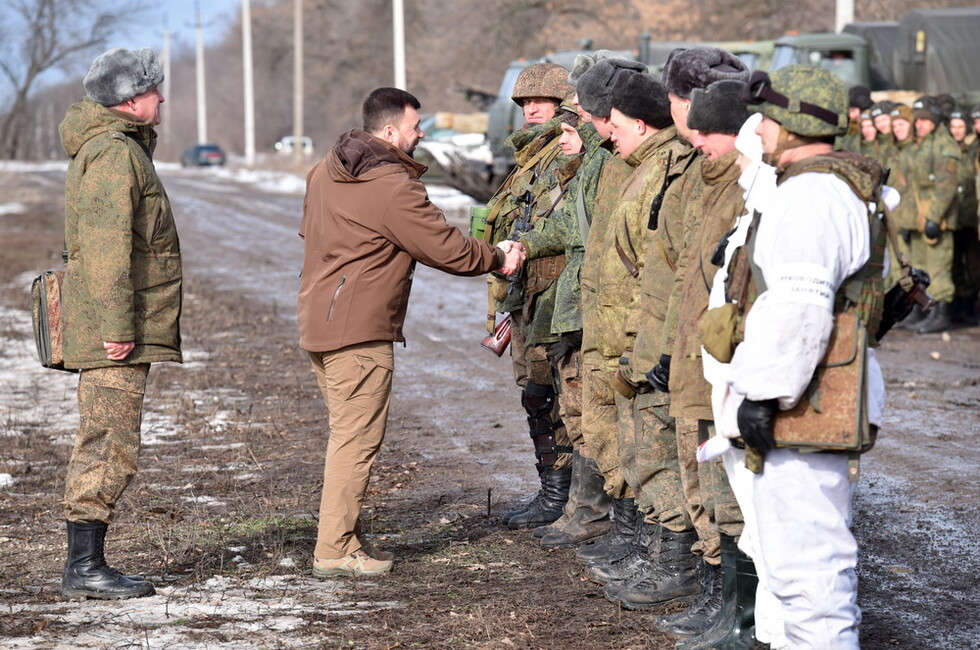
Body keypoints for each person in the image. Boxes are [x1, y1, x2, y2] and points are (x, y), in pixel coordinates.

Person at [298, 87, 524, 577]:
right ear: (388, 132)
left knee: (347, 436)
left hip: (320, 321)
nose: (421, 134)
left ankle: (344, 536)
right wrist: (499, 258)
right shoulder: (390, 185)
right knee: (355, 442)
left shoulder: (324, 171)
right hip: (358, 333)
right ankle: (334, 550)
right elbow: (446, 248)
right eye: (415, 126)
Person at [725, 64, 887, 647]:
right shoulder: (834, 187)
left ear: (792, 125)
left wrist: (764, 397)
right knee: (793, 563)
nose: (759, 130)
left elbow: (798, 307)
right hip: (815, 392)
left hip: (805, 399)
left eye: (767, 118)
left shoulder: (812, 195)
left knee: (808, 566)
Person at [59, 47, 179, 600]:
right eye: (154, 91)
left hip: (118, 323)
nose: (162, 98)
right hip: (114, 331)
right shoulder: (113, 155)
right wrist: (117, 325)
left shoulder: (121, 148)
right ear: (130, 101)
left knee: (109, 439)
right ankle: (84, 568)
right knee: (109, 442)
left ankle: (87, 563)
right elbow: (107, 251)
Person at [484, 63, 580, 531]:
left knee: (552, 398)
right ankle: (553, 492)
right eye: (524, 102)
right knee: (536, 396)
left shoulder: (568, 150)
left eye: (542, 101)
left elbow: (569, 224)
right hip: (526, 295)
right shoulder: (531, 156)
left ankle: (565, 498)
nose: (532, 109)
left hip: (554, 296)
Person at [903, 98, 960, 333]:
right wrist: (908, 220)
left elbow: (946, 186)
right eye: (918, 121)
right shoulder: (919, 145)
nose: (920, 125)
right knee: (919, 268)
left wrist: (935, 217)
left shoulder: (944, 147)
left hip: (937, 220)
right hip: (918, 219)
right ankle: (922, 310)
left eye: (925, 120)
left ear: (935, 122)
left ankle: (941, 313)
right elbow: (911, 186)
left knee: (938, 268)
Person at [947, 109, 980, 324]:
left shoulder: (974, 149)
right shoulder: (950, 148)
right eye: (953, 127)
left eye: (960, 126)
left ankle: (971, 303)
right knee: (954, 263)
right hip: (954, 215)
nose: (957, 131)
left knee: (974, 265)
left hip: (971, 216)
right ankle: (959, 303)